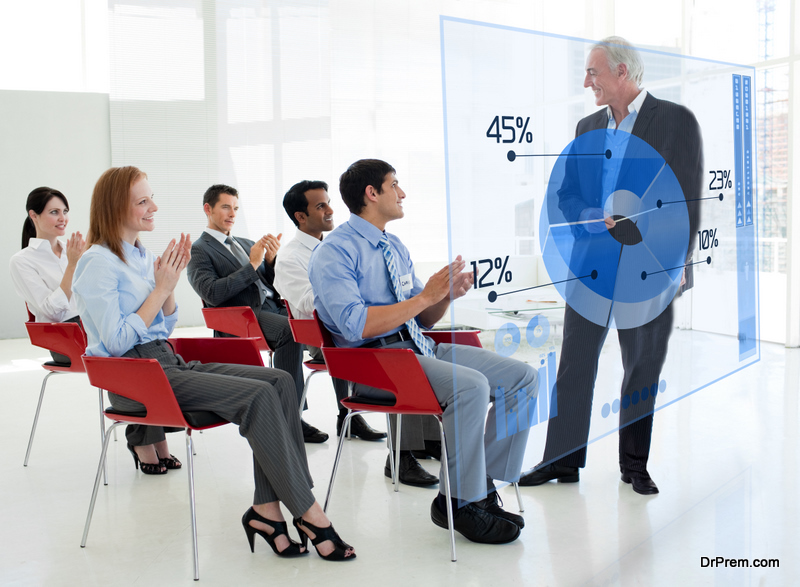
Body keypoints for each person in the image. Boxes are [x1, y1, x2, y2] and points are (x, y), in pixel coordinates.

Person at [72, 166, 355, 561]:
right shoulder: (96, 263)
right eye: (143, 200)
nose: (154, 206)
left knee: (279, 381)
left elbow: (163, 324)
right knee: (258, 396)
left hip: (164, 362)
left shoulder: (140, 255)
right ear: (114, 207)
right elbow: (117, 341)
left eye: (151, 196)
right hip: (134, 377)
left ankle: (267, 510)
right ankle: (309, 512)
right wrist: (163, 288)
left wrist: (165, 290)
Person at [309, 159, 538, 544]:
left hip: (416, 346)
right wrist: (425, 296)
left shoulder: (393, 246)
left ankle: (477, 485)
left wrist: (443, 296)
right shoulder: (335, 252)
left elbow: (424, 318)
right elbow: (354, 324)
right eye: (394, 185)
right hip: (373, 363)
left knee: (523, 379)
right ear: (372, 194)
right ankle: (460, 503)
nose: (402, 193)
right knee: (471, 387)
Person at [519, 37, 703, 495]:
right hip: (592, 264)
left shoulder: (675, 120)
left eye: (593, 73)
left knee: (641, 366)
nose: (587, 82)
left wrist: (678, 260)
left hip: (649, 266)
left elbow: (687, 196)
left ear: (623, 72)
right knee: (575, 364)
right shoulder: (586, 127)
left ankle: (634, 466)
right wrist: (588, 219)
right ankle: (561, 460)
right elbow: (565, 194)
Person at [10, 187, 179, 475]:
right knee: (127, 348)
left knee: (135, 344)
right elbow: (51, 311)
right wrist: (74, 264)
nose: (62, 218)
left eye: (65, 211)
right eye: (54, 212)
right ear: (33, 216)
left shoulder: (81, 250)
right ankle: (144, 440)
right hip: (64, 335)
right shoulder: (23, 260)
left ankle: (152, 437)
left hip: (91, 326)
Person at [186, 184, 327, 444]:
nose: (232, 213)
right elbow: (212, 293)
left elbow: (271, 284)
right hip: (243, 316)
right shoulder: (199, 250)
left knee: (328, 324)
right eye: (226, 207)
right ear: (208, 209)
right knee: (289, 331)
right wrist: (253, 263)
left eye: (236, 208)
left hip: (274, 308)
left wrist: (271, 261)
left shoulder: (244, 243)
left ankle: (346, 411)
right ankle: (290, 416)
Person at [274, 180, 387, 442]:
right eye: (320, 206)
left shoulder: (340, 246)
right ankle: (406, 449)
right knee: (395, 346)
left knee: (403, 336)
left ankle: (418, 440)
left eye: (329, 203)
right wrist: (350, 294)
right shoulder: (291, 258)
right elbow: (309, 303)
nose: (330, 210)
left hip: (350, 325)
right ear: (300, 217)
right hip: (319, 336)